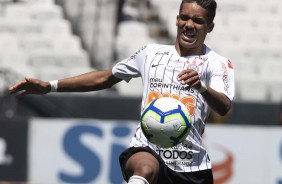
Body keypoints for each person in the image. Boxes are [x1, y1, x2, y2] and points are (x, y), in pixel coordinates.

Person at [9, 0, 235, 183]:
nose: (189, 24)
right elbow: (106, 77)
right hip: (148, 149)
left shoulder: (217, 64)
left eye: (198, 20)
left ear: (210, 27)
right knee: (144, 170)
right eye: (184, 17)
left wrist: (201, 88)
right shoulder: (150, 53)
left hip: (192, 167)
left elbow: (224, 106)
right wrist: (50, 86)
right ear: (176, 19)